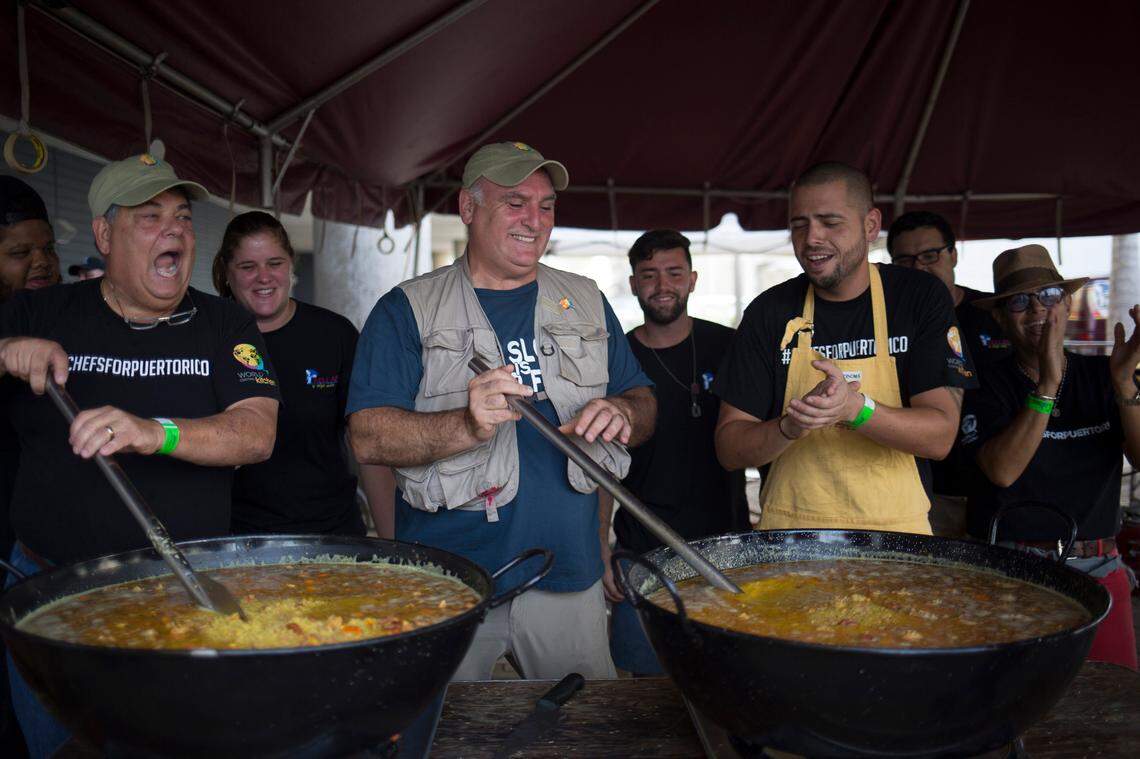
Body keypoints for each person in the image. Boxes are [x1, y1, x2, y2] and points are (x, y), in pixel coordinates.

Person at [0, 154, 280, 757]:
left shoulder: (224, 322)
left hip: (178, 596)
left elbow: (256, 434)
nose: (174, 230)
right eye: (150, 217)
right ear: (104, 234)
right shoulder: (40, 311)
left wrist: (155, 432)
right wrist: (6, 350)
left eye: (181, 216)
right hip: (49, 592)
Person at [347, 141, 655, 681]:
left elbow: (644, 402)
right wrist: (464, 425)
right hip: (453, 583)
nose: (534, 220)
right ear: (469, 208)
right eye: (515, 202)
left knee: (583, 734)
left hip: (570, 575)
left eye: (546, 205)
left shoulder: (585, 299)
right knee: (446, 732)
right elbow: (368, 438)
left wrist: (623, 410)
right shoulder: (406, 309)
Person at [715, 162, 975, 533]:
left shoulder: (917, 298)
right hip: (791, 538)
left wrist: (856, 408)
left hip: (896, 540)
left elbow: (940, 437)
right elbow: (729, 448)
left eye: (830, 222)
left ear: (870, 225)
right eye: (799, 224)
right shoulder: (770, 312)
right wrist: (790, 426)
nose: (811, 238)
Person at [960, 244, 1138, 670]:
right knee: (1018, 709)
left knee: (1115, 708)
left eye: (1049, 296)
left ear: (1068, 302)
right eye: (1019, 301)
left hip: (1098, 564)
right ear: (1000, 318)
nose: (1037, 309)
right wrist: (1048, 382)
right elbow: (1002, 471)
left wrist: (1125, 389)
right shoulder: (983, 384)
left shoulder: (1103, 373)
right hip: (1012, 571)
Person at [602, 228, 747, 676]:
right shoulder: (614, 357)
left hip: (728, 549)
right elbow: (601, 462)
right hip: (643, 553)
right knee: (645, 695)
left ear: (693, 279)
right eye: (649, 275)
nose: (662, 285)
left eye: (673, 272)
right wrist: (599, 551)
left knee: (730, 682)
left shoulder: (730, 347)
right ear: (632, 284)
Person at [212, 211, 395, 537]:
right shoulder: (210, 337)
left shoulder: (334, 334)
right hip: (238, 539)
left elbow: (368, 445)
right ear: (228, 272)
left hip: (333, 535)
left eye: (275, 263)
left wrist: (393, 541)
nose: (263, 277)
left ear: (291, 264)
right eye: (247, 267)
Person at [888, 210, 1009, 535]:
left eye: (930, 255)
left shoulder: (995, 313)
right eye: (905, 260)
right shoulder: (889, 325)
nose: (919, 268)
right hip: (927, 489)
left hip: (1002, 484)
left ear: (953, 254)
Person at [0, 175, 59, 759]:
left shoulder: (60, 315)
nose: (40, 263)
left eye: (47, 249)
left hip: (35, 554)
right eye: (20, 253)